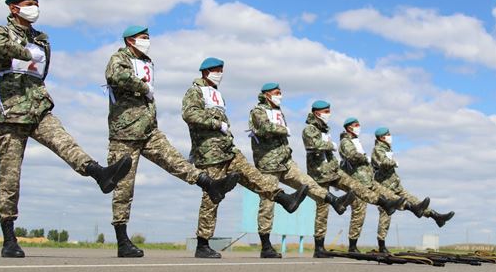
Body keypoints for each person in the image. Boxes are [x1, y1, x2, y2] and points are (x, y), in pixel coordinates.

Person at [0, 0, 133, 258]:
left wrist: (32, 51)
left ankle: (99, 173)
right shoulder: (1, 31)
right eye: (28, 5)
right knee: (10, 176)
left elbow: (42, 69)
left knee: (65, 142)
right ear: (13, 8)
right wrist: (25, 52)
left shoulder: (41, 38)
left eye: (36, 4)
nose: (34, 8)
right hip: (11, 110)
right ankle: (9, 238)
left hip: (38, 105)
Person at [105, 26, 238, 257]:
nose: (147, 41)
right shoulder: (119, 58)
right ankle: (122, 240)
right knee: (124, 188)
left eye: (148, 37)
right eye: (143, 38)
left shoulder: (147, 62)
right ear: (129, 40)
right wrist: (142, 86)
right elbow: (115, 75)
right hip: (125, 133)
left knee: (176, 162)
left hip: (149, 130)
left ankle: (210, 184)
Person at [182, 58, 309, 258]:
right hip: (209, 154)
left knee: (256, 178)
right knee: (211, 197)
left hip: (228, 150)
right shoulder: (195, 91)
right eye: (216, 70)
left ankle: (286, 199)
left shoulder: (216, 93)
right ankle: (202, 244)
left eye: (221, 70)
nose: (220, 73)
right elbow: (189, 114)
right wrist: (216, 124)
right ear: (205, 72)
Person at [248, 83, 352, 258]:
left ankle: (335, 201)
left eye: (280, 93)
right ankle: (266, 246)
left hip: (286, 161)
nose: (280, 96)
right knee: (267, 203)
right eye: (276, 93)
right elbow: (264, 128)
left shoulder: (279, 112)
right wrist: (284, 129)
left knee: (308, 183)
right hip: (268, 163)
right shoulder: (257, 111)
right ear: (266, 95)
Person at [302, 101, 405, 258]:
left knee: (356, 188)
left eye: (329, 111)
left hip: (333, 170)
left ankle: (384, 203)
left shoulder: (325, 130)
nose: (328, 114)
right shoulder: (310, 129)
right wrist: (331, 146)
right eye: (326, 111)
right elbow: (313, 145)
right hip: (319, 173)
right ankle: (319, 247)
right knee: (322, 209)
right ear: (317, 112)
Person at [371, 127, 455, 253]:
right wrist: (392, 163)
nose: (390, 136)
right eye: (388, 134)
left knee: (417, 203)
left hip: (395, 186)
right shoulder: (378, 149)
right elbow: (382, 162)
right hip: (384, 188)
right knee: (385, 215)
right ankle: (381, 245)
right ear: (382, 137)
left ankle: (436, 216)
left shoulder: (387, 148)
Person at [338, 118, 411, 253]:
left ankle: (410, 206)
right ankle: (352, 246)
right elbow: (352, 156)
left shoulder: (355, 141)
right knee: (359, 212)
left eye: (359, 124)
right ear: (348, 128)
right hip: (355, 181)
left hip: (366, 181)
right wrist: (364, 158)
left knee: (362, 212)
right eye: (355, 125)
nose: (358, 127)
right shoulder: (346, 142)